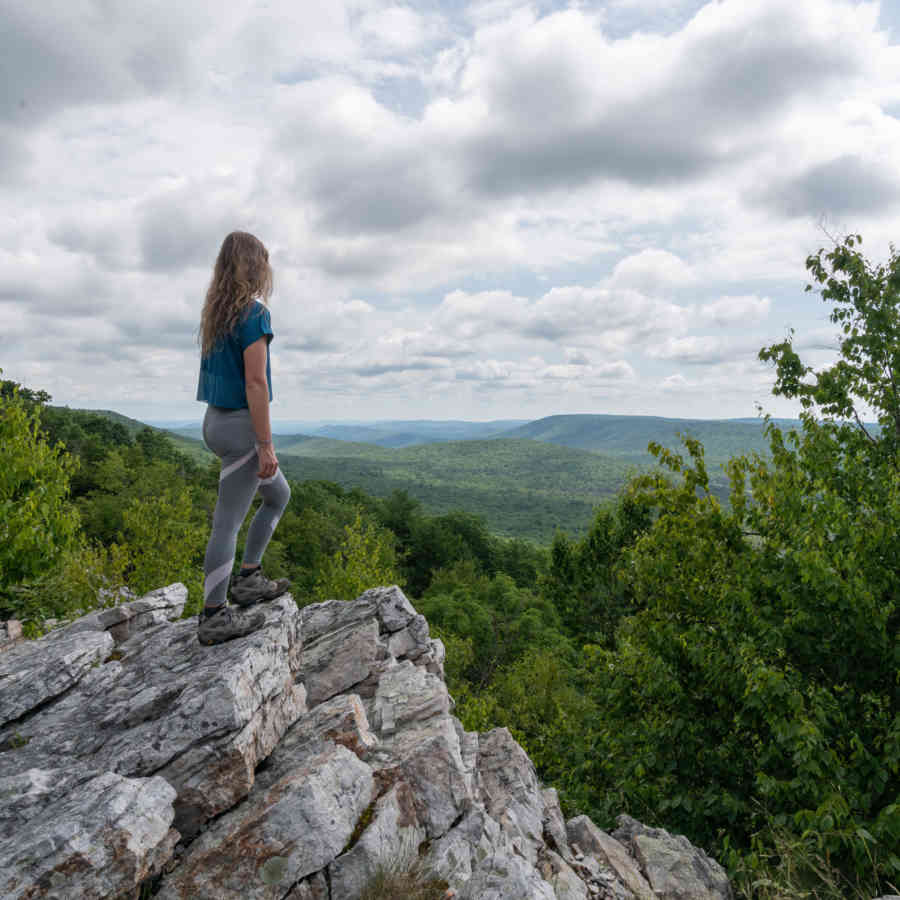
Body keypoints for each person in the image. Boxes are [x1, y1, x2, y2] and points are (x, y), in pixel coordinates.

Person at [195, 231, 291, 645]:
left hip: (215, 420)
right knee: (227, 522)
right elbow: (255, 382)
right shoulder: (254, 314)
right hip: (240, 429)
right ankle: (214, 614)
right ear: (256, 266)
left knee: (278, 496)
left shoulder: (217, 313)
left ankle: (248, 577)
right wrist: (264, 444)